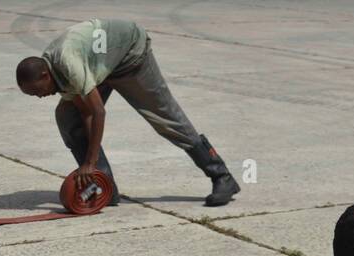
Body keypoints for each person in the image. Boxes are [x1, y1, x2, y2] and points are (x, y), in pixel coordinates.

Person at [16, 18, 240, 207]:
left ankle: (221, 176)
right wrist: (91, 168)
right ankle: (105, 187)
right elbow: (85, 113)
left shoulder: (67, 63)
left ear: (45, 76)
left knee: (166, 118)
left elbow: (97, 113)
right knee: (68, 116)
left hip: (130, 56)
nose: (39, 96)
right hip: (102, 64)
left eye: (37, 91)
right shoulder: (54, 72)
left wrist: (89, 162)